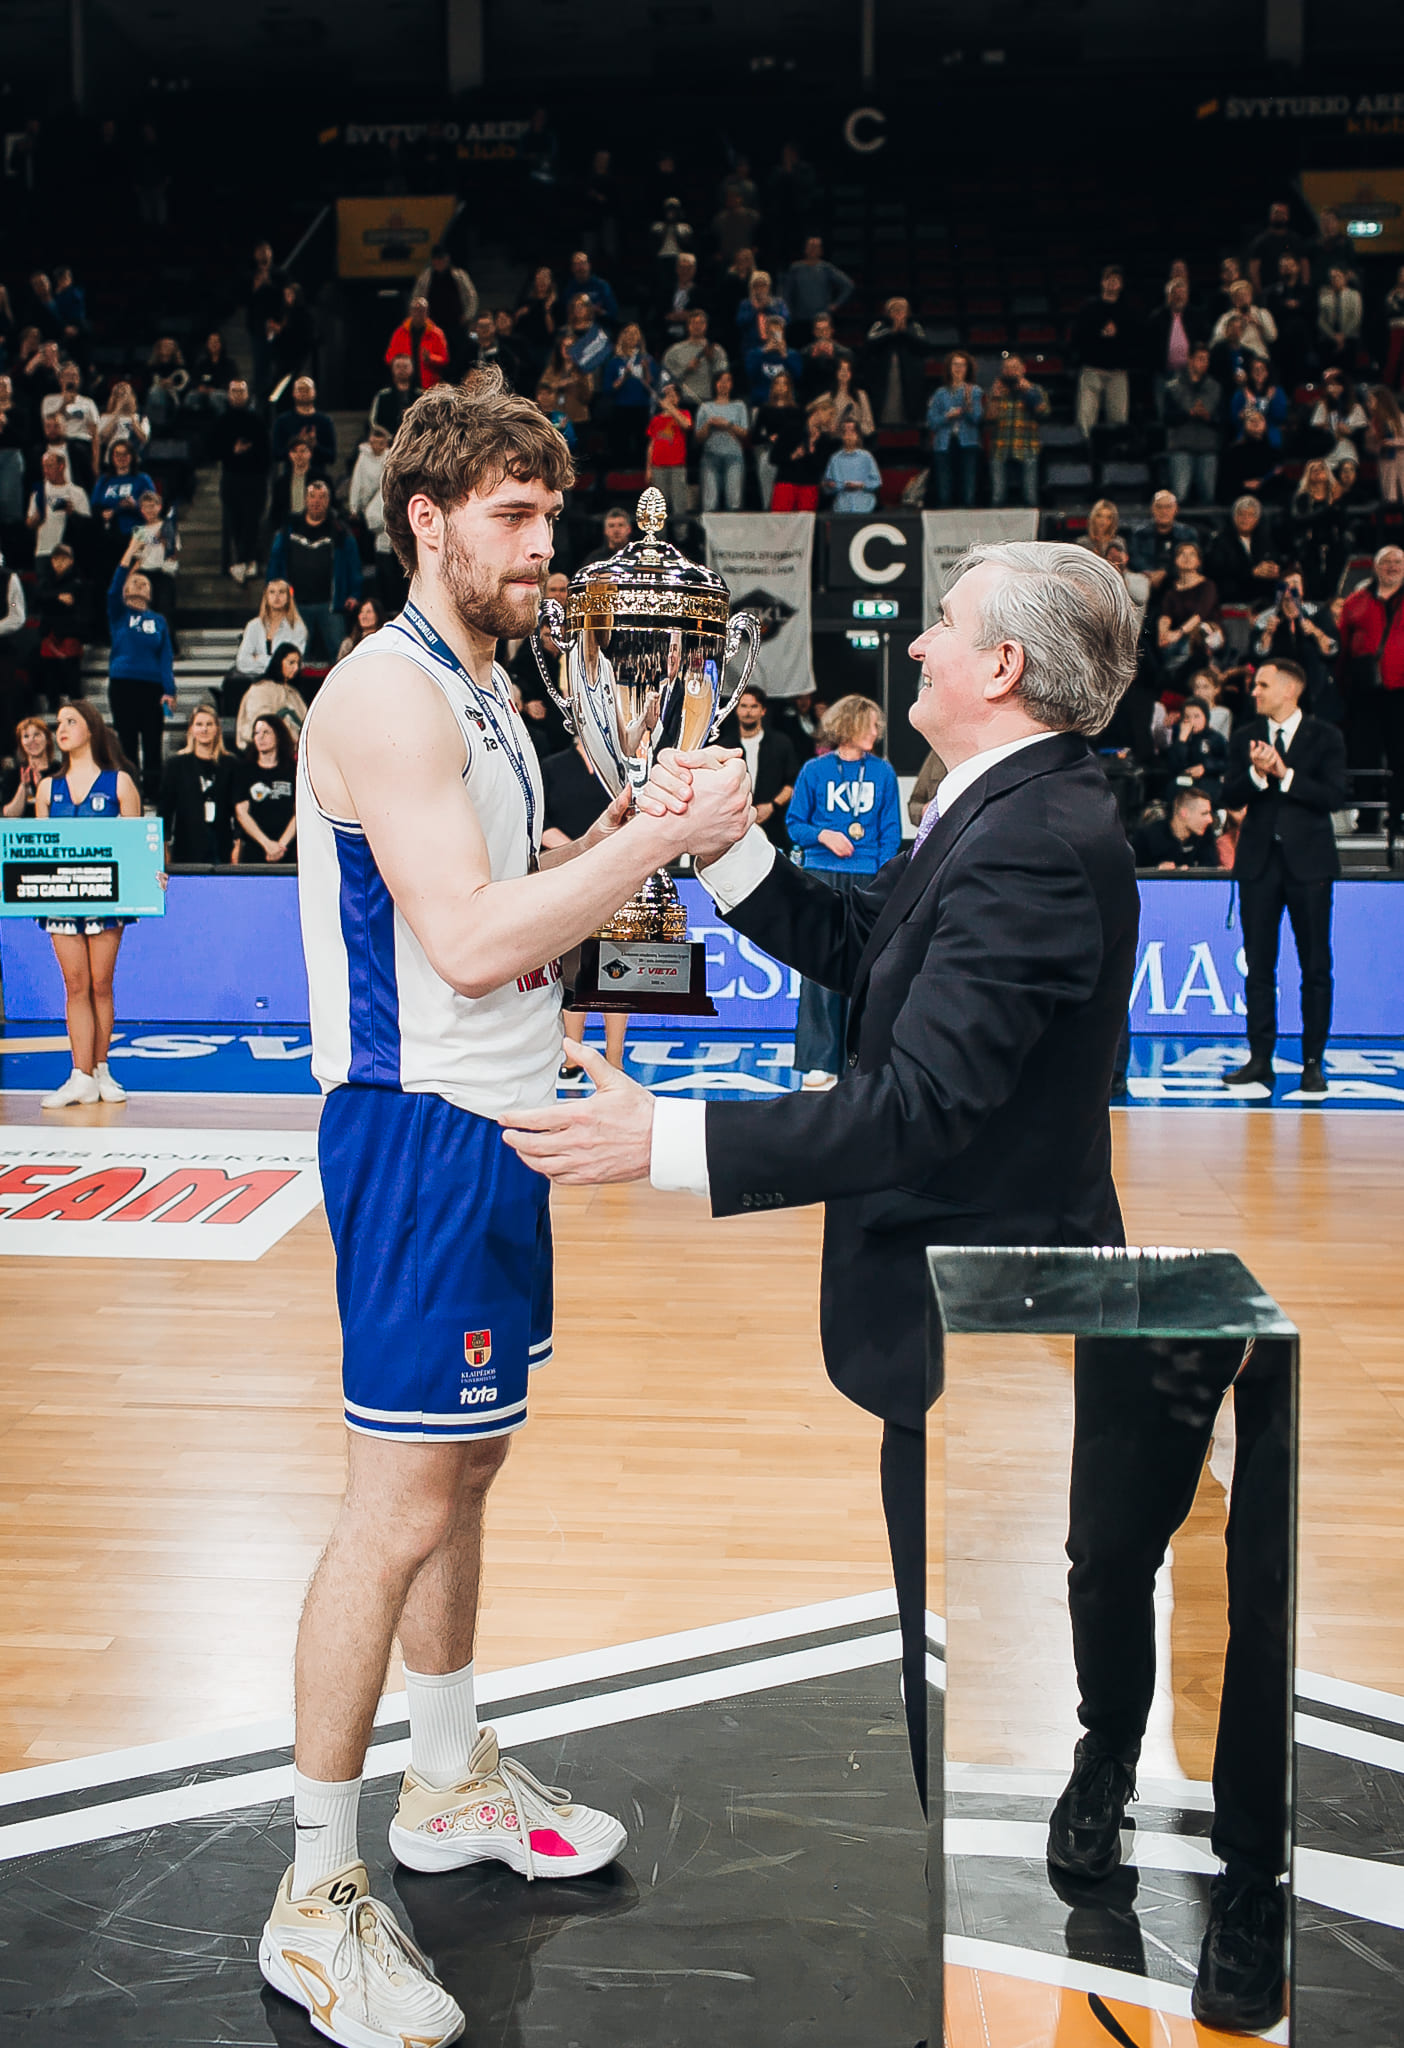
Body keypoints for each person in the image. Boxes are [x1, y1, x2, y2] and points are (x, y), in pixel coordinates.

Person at [498, 542, 1144, 1843]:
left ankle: (1090, 1781)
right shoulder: (1005, 802)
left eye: (942, 623)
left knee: (1038, 1599)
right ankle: (1058, 1787)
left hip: (992, 1318)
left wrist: (666, 1142)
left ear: (1003, 666)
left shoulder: (1032, 838)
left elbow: (918, 1109)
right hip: (979, 1307)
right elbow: (867, 944)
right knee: (999, 1599)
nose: (916, 643)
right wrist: (727, 848)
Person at [260, 369, 749, 2048]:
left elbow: (509, 899)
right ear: (428, 518)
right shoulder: (384, 696)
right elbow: (465, 946)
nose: (547, 543)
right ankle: (313, 1893)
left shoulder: (485, 690)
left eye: (552, 512)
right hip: (418, 1134)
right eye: (514, 515)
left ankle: (446, 1776)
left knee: (464, 1465)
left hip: (498, 1124)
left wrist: (617, 827)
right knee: (395, 1499)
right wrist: (657, 845)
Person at [1221, 659, 1347, 1095]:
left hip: (1309, 865)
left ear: (1290, 690)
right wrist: (1257, 775)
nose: (1254, 691)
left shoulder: (1325, 736)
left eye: (1263, 684)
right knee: (1259, 965)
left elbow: (1335, 795)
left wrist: (1284, 775)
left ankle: (1313, 1061)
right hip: (1258, 864)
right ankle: (1260, 1058)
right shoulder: (1245, 736)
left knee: (1315, 965)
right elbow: (1228, 792)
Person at [783, 694, 902, 1088]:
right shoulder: (814, 770)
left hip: (867, 877)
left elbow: (890, 833)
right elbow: (794, 825)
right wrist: (824, 835)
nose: (877, 732)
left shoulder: (882, 772)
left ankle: (860, 1061)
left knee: (865, 970)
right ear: (851, 725)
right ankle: (819, 1061)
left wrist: (883, 879)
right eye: (872, 725)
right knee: (819, 967)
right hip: (821, 872)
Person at [34, 699, 141, 1108]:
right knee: (75, 985)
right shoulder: (47, 788)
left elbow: (138, 846)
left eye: (71, 721)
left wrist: (152, 877)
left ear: (91, 729)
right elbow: (39, 851)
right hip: (61, 899)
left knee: (100, 983)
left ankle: (100, 1068)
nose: (61, 729)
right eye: (58, 722)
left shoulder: (119, 784)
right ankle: (79, 1075)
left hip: (107, 900)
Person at [541, 737, 629, 1081]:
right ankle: (572, 1055)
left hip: (618, 876)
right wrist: (581, 851)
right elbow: (541, 822)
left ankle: (615, 1060)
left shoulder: (624, 768)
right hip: (568, 877)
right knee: (573, 972)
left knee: (617, 973)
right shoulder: (552, 766)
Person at [1334, 543, 1404, 837]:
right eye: (1386, 561)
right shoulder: (1356, 601)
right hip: (1364, 693)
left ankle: (1399, 817)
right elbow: (1342, 647)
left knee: (1401, 755)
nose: (1392, 566)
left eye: (1398, 561)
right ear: (1375, 567)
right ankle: (1367, 819)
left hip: (1401, 691)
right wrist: (1343, 687)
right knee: (1365, 755)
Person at [266, 480, 362, 665]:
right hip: (296, 605)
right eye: (312, 496)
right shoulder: (289, 529)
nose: (316, 501)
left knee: (341, 656)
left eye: (322, 497)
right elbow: (275, 562)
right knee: (294, 656)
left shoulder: (340, 531)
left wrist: (354, 594)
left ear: (328, 501)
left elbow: (354, 565)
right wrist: (274, 592)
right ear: (305, 499)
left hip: (330, 605)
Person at [106, 562, 174, 803]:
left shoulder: (159, 621)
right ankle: (130, 791)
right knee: (127, 741)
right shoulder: (119, 614)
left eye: (145, 583)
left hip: (152, 686)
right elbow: (113, 589)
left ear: (151, 593)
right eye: (135, 582)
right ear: (125, 590)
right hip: (123, 684)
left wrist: (169, 690)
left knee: (153, 740)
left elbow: (165, 656)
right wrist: (127, 562)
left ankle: (153, 792)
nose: (140, 585)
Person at [160, 702, 238, 863]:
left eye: (209, 724)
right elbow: (165, 809)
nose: (204, 729)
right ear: (191, 729)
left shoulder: (230, 763)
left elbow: (238, 809)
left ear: (217, 728)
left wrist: (238, 843)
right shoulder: (176, 764)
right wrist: (164, 845)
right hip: (187, 844)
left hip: (221, 844)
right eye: (199, 724)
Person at [1253, 567, 1339, 708]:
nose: (1290, 589)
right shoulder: (1265, 619)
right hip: (1279, 691)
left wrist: (1316, 632)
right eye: (1285, 585)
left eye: (1295, 584)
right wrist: (1267, 634)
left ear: (1303, 589)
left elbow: (1334, 651)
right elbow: (1256, 656)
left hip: (1315, 691)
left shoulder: (1318, 613)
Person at [212, 379, 270, 583]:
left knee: (252, 520)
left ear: (247, 394)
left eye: (241, 391)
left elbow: (266, 451)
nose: (237, 395)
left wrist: (247, 452)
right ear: (228, 394)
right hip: (232, 477)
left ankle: (250, 560)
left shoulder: (257, 420)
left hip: (255, 478)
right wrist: (233, 451)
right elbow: (213, 449)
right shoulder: (222, 421)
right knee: (235, 520)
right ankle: (242, 560)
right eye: (234, 391)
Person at [730, 683, 796, 850]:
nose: (748, 711)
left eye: (754, 706)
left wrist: (772, 806)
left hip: (774, 827)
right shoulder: (726, 746)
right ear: (736, 709)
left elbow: (792, 783)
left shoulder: (781, 744)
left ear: (763, 710)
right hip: (735, 827)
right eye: (743, 706)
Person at [1073, 266, 1134, 438]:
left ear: (1121, 285)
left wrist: (1118, 334)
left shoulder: (1128, 311)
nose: (1112, 282)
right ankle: (1085, 448)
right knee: (1086, 418)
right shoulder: (1088, 308)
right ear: (1102, 282)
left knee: (1118, 419)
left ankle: (1116, 450)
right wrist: (1099, 333)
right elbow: (1078, 336)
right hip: (1092, 370)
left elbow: (1134, 339)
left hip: (1117, 372)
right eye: (1109, 279)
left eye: (1116, 280)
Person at [984, 353, 1049, 509]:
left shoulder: (1035, 389)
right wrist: (995, 397)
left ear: (1023, 369)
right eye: (1007, 368)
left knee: (1030, 496)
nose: (1010, 371)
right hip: (1001, 446)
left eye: (1014, 367)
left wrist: (1029, 392)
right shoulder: (997, 391)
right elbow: (988, 418)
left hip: (1027, 445)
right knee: (998, 496)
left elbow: (1044, 412)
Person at [233, 713, 298, 864]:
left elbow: (299, 812)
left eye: (266, 732)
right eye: (256, 733)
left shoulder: (293, 770)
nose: (260, 737)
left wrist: (281, 846)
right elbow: (241, 813)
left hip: (288, 850)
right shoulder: (244, 771)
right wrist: (266, 844)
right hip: (255, 850)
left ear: (278, 735)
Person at [1156, 538, 1223, 680]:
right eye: (1182, 554)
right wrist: (1163, 633)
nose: (1187, 557)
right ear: (1175, 560)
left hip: (1206, 634)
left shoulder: (1208, 586)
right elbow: (1165, 615)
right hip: (1179, 636)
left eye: (1192, 554)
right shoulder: (1171, 590)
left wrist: (1178, 633)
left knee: (1192, 639)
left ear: (1198, 562)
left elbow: (1200, 615)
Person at [1163, 345, 1222, 506]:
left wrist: (1208, 417)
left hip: (1207, 447)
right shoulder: (1173, 387)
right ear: (1190, 360)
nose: (1204, 363)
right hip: (1181, 446)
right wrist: (1189, 413)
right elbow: (1167, 418)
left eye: (1207, 360)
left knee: (1208, 498)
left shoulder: (1215, 387)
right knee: (1180, 496)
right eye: (1201, 359)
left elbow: (1221, 419)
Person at [925, 351, 983, 509]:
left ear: (967, 368)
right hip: (944, 444)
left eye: (962, 365)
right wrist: (947, 416)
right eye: (955, 364)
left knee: (968, 488)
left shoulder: (974, 391)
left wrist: (968, 405)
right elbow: (932, 422)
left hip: (968, 442)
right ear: (949, 368)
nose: (958, 368)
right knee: (944, 488)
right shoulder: (940, 393)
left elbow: (977, 418)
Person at [599, 324, 660, 469]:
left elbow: (653, 386)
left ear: (640, 338)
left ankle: (641, 472)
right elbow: (607, 389)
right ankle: (620, 472)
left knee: (641, 442)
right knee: (621, 443)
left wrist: (646, 369)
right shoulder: (614, 362)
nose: (632, 336)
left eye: (635, 333)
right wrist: (623, 378)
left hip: (642, 407)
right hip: (621, 407)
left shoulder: (647, 359)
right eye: (628, 333)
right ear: (622, 337)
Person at [34, 541, 87, 704]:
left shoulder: (78, 580)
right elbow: (38, 598)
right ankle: (53, 703)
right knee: (50, 670)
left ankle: (77, 703)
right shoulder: (45, 580)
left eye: (64, 559)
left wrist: (52, 599)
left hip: (70, 631)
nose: (59, 563)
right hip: (49, 630)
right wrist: (57, 597)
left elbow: (74, 601)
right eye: (56, 559)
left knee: (71, 671)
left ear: (71, 561)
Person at [862, 298, 929, 426]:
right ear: (888, 312)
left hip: (909, 377)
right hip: (884, 377)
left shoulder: (914, 326)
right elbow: (870, 341)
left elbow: (924, 345)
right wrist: (891, 332)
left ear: (908, 312)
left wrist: (904, 332)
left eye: (902, 309)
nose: (898, 313)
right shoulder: (880, 325)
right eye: (894, 309)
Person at [1207, 495, 1281, 605]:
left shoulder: (1265, 539)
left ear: (1257, 519)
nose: (1245, 519)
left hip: (1263, 597)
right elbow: (1217, 570)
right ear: (1234, 517)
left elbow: (1275, 559)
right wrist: (1251, 572)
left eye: (1250, 515)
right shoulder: (1220, 540)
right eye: (1241, 514)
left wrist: (1273, 569)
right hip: (1232, 597)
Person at [780, 236, 854, 343]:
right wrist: (789, 312)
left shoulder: (826, 268)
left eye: (816, 247)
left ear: (821, 250)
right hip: (800, 318)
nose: (813, 249)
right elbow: (787, 293)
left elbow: (848, 285)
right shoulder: (796, 268)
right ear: (805, 249)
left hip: (821, 319)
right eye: (810, 246)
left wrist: (836, 304)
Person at [695, 370, 749, 512]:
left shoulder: (739, 406)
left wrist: (727, 424)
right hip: (710, 458)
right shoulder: (705, 407)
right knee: (710, 503)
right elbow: (698, 438)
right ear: (715, 384)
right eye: (720, 380)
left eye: (727, 380)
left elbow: (745, 433)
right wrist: (708, 425)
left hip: (734, 457)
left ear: (732, 384)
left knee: (734, 501)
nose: (724, 384)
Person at [237, 645, 310, 752]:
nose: (295, 668)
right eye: (291, 663)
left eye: (298, 664)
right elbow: (259, 723)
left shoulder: (293, 692)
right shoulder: (261, 689)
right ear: (279, 662)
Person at [751, 371, 805, 511]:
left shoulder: (796, 410)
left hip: (790, 457)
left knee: (787, 496)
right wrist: (768, 438)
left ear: (789, 387)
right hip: (771, 453)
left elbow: (802, 433)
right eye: (778, 383)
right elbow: (754, 437)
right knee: (768, 496)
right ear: (773, 386)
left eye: (784, 384)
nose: (781, 387)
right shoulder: (765, 409)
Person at [1132, 785, 1222, 868]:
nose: (1210, 820)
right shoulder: (1147, 837)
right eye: (1204, 813)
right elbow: (1133, 872)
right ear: (1184, 813)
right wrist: (1156, 872)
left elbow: (1211, 869)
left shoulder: (1206, 834)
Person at [1129, 489, 1196, 594]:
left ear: (1176, 509)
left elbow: (1194, 561)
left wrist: (1165, 573)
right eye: (1159, 507)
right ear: (1152, 509)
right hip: (1147, 582)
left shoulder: (1188, 534)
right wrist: (1151, 573)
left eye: (1168, 507)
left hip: (1179, 582)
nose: (1164, 511)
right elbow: (1135, 559)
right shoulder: (1139, 534)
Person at [662, 309, 728, 413]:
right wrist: (686, 370)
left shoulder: (716, 350)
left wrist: (711, 360)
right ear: (688, 326)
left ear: (706, 325)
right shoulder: (674, 351)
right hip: (682, 401)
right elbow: (666, 377)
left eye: (701, 323)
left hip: (708, 401)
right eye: (694, 323)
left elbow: (724, 376)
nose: (697, 326)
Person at [1164, 696, 1228, 803]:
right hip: (1183, 782)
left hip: (1207, 782)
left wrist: (1205, 768)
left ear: (1205, 717)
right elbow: (1173, 765)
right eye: (1187, 717)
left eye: (1196, 716)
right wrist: (1181, 741)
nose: (1192, 721)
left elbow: (1227, 762)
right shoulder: (1180, 736)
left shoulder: (1215, 738)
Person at [644, 381, 691, 518]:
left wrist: (671, 409)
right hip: (658, 466)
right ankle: (660, 531)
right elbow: (651, 445)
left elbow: (686, 425)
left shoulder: (684, 414)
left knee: (679, 502)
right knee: (659, 504)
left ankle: (681, 531)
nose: (670, 398)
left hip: (677, 465)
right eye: (667, 395)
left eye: (673, 395)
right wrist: (648, 468)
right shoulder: (656, 420)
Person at [271, 376, 337, 469]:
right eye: (300, 389)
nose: (304, 393)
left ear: (314, 392)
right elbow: (276, 454)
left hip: (317, 473)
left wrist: (314, 446)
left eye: (307, 389)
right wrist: (297, 444)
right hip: (291, 473)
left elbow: (331, 457)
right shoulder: (282, 421)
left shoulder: (325, 421)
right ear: (293, 393)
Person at [385, 299, 450, 392]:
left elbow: (444, 359)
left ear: (427, 312)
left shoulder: (436, 334)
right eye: (415, 310)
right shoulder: (400, 333)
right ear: (410, 312)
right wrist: (401, 365)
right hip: (404, 385)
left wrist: (430, 358)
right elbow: (389, 357)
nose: (418, 313)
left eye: (421, 310)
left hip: (428, 385)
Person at [2, 713, 59, 818]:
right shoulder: (13, 774)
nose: (32, 740)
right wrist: (23, 786)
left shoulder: (60, 771)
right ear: (21, 743)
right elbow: (10, 815)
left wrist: (41, 788)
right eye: (26, 736)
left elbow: (62, 810)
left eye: (36, 735)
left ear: (47, 739)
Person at [822, 416, 882, 514]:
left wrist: (861, 485)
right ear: (842, 436)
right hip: (842, 507)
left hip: (864, 507)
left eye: (852, 431)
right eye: (845, 432)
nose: (848, 435)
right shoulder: (835, 459)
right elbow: (827, 487)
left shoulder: (866, 457)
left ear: (858, 435)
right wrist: (830, 485)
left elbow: (877, 482)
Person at [743, 313, 803, 410]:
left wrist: (785, 356)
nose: (774, 337)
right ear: (766, 334)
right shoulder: (754, 354)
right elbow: (750, 375)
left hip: (786, 404)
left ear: (783, 333)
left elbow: (798, 377)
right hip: (761, 402)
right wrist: (763, 352)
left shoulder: (792, 355)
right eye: (771, 333)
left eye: (777, 333)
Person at [1317, 265, 1364, 371]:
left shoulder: (1354, 295)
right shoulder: (1324, 296)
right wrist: (1333, 336)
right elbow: (1320, 319)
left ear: (1345, 277)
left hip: (1349, 338)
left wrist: (1343, 336)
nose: (1335, 279)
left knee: (1347, 371)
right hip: (1328, 339)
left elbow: (1356, 318)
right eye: (1332, 277)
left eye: (1338, 276)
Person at [371, 354, 418, 441]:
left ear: (412, 369)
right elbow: (374, 422)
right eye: (398, 367)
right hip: (387, 440)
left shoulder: (420, 395)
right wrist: (388, 436)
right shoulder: (382, 395)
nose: (402, 370)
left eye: (405, 367)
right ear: (392, 369)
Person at [337, 596, 386, 665]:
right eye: (361, 612)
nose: (364, 616)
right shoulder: (349, 643)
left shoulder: (385, 640)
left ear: (378, 615)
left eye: (368, 612)